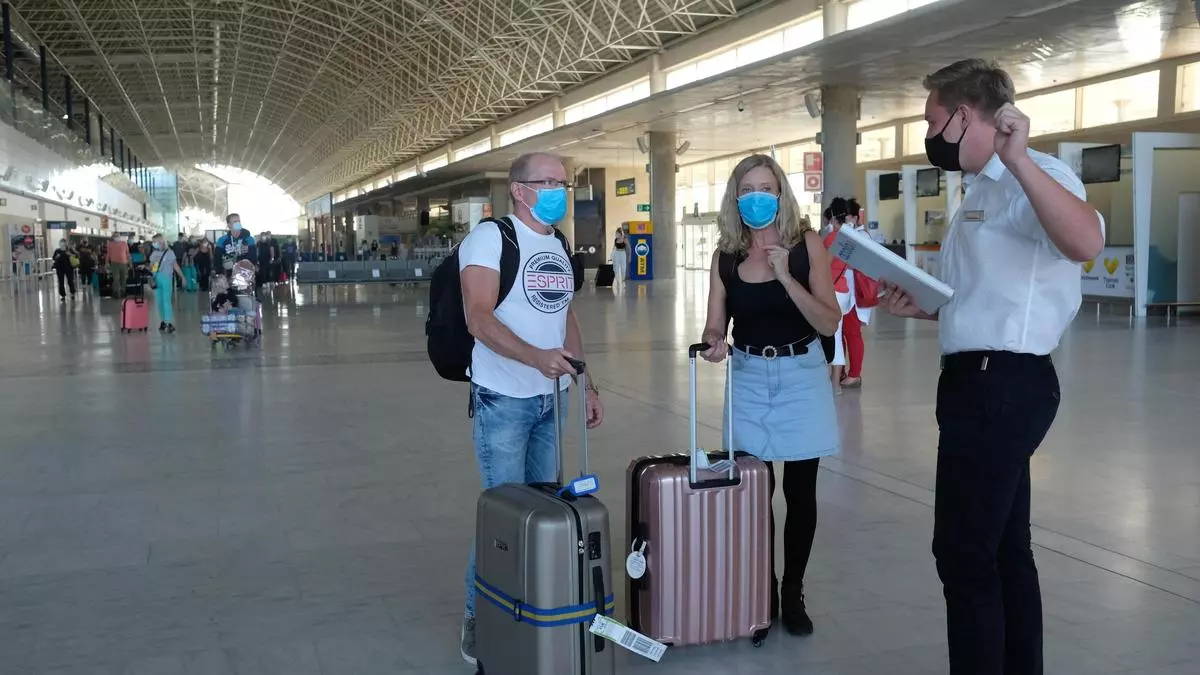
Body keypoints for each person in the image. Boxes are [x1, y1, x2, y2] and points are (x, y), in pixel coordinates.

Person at [880, 59, 1104, 675]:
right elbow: (988, 296)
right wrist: (927, 306)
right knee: (1005, 550)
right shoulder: (979, 189)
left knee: (963, 553)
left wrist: (1020, 159)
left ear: (963, 116)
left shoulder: (1036, 174)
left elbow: (1086, 244)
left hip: (1001, 385)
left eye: (933, 121)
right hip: (976, 381)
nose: (929, 136)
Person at [456, 152, 604, 666]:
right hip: (503, 399)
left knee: (545, 511)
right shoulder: (490, 238)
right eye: (548, 182)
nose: (560, 190)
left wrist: (585, 382)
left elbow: (565, 316)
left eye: (564, 182)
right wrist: (534, 358)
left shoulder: (557, 242)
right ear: (520, 190)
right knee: (504, 516)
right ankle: (478, 619)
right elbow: (478, 317)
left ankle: (534, 609)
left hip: (550, 400)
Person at [697, 153, 841, 637]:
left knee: (800, 493)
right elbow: (715, 323)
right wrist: (713, 342)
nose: (756, 197)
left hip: (801, 374)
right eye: (747, 190)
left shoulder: (806, 246)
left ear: (780, 194)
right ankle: (763, 589)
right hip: (748, 377)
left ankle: (792, 590)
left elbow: (828, 321)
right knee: (754, 492)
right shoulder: (726, 256)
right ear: (735, 198)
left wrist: (786, 277)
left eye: (765, 188)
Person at [823, 197, 873, 393]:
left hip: (835, 292)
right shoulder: (852, 239)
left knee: (840, 337)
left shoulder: (832, 238)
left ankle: (838, 381)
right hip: (845, 293)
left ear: (833, 217)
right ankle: (839, 377)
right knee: (842, 336)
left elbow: (823, 266)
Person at [149, 234, 185, 332]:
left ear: (161, 241)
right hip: (157, 279)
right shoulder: (154, 253)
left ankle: (169, 322)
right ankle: (163, 321)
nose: (154, 244)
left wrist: (182, 277)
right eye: (153, 242)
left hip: (166, 279)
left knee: (166, 301)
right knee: (159, 301)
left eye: (155, 241)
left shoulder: (170, 253)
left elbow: (175, 266)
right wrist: (152, 265)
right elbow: (153, 268)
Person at [106, 233, 131, 299]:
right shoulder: (110, 244)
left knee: (124, 279)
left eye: (118, 236)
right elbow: (108, 254)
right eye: (115, 236)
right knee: (116, 279)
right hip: (114, 264)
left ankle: (123, 292)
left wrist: (130, 263)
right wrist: (106, 263)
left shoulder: (124, 243)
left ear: (120, 237)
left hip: (124, 264)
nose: (117, 237)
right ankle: (117, 293)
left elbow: (127, 253)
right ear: (113, 237)